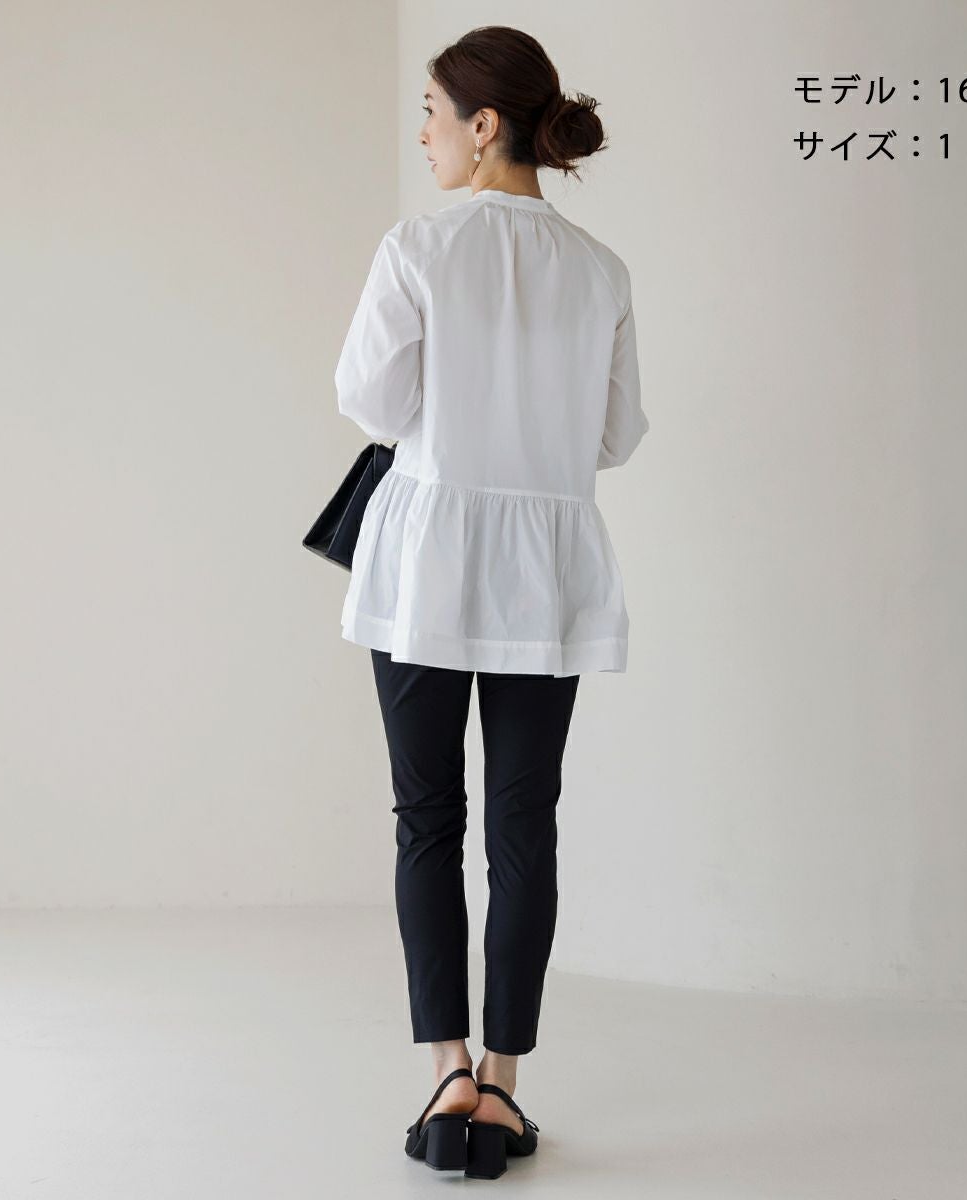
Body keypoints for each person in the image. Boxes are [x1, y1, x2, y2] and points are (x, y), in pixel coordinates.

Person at [332, 25, 648, 1176]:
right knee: (524, 824)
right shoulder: (601, 270)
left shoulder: (419, 247)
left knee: (427, 818)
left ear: (483, 123)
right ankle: (505, 1088)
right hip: (546, 572)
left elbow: (370, 401)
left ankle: (447, 1074)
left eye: (432, 113)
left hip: (425, 557)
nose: (423, 135)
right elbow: (615, 436)